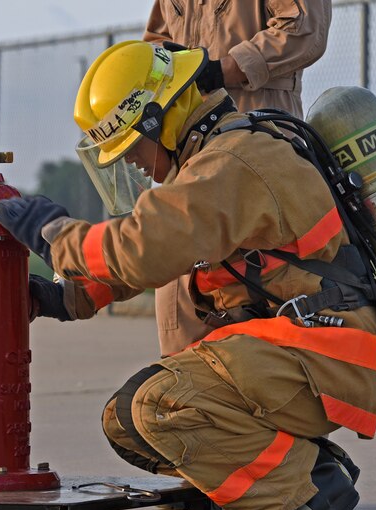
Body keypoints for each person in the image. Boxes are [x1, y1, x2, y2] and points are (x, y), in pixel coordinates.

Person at [0, 41, 376, 510]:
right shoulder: (216, 159)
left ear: (160, 119)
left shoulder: (234, 162)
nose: (133, 161)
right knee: (126, 423)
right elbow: (167, 248)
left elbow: (143, 248)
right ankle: (309, 464)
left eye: (132, 144)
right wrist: (64, 298)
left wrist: (54, 234)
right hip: (299, 351)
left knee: (160, 405)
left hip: (323, 353)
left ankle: (303, 491)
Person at [143, 0, 333, 356]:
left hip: (261, 144)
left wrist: (223, 70)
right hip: (187, 152)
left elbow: (304, 28)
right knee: (181, 315)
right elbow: (157, 40)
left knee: (257, 310)